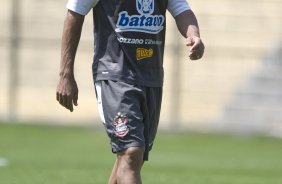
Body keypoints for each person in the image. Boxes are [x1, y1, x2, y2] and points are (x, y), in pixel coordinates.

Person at [56, 0, 204, 183]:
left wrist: (194, 35)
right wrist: (65, 74)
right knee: (131, 153)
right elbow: (75, 12)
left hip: (152, 79)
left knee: (130, 158)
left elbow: (182, 10)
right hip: (115, 75)